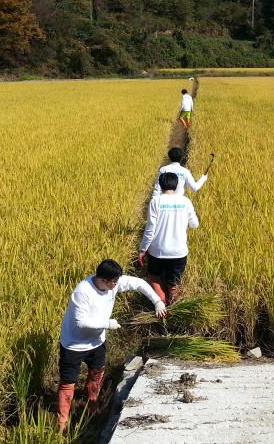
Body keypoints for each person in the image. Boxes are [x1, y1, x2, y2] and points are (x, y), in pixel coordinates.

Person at [57, 259, 166, 432]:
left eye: (117, 281)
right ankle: (61, 424)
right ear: (103, 280)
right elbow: (80, 322)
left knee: (97, 373)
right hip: (74, 344)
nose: (116, 285)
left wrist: (157, 301)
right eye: (113, 283)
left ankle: (92, 408)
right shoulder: (83, 292)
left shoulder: (113, 283)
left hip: (96, 341)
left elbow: (139, 283)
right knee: (68, 383)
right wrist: (107, 324)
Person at [140, 172, 199, 305]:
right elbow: (195, 224)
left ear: (160, 185)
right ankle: (173, 311)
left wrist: (142, 249)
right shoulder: (185, 201)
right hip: (179, 252)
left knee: (153, 275)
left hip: (157, 251)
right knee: (173, 283)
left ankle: (161, 303)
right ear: (177, 185)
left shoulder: (156, 201)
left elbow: (150, 229)